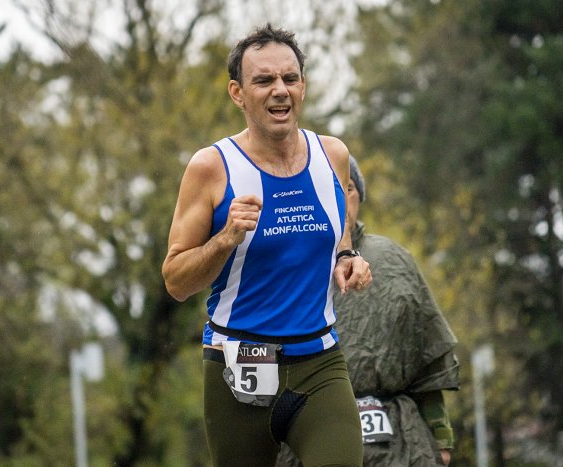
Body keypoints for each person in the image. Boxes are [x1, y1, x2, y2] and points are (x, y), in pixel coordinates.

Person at [161, 24, 373, 467]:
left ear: (302, 86)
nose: (280, 90)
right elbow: (176, 281)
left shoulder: (332, 155)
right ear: (237, 93)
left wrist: (346, 255)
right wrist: (225, 239)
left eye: (289, 78)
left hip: (319, 362)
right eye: (264, 80)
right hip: (238, 365)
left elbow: (337, 226)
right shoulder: (211, 168)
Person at [277, 156, 460, 466]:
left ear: (359, 196)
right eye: (327, 188)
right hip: (311, 430)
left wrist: (441, 438)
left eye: (347, 188)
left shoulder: (394, 260)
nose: (338, 197)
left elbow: (426, 358)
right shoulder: (285, 265)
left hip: (399, 439)